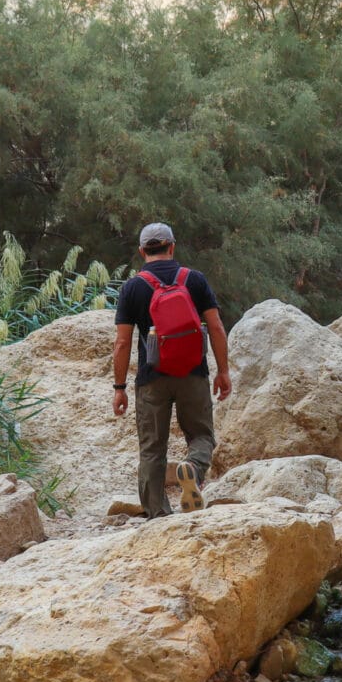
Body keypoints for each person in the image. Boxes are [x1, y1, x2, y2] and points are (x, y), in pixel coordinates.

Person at [110, 222, 231, 518]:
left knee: (152, 449)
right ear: (172, 247)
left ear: (142, 252)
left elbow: (123, 343)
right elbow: (215, 327)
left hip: (152, 379)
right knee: (202, 436)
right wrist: (223, 371)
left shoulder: (132, 287)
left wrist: (119, 387)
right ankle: (193, 467)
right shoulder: (195, 280)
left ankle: (158, 516)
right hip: (193, 373)